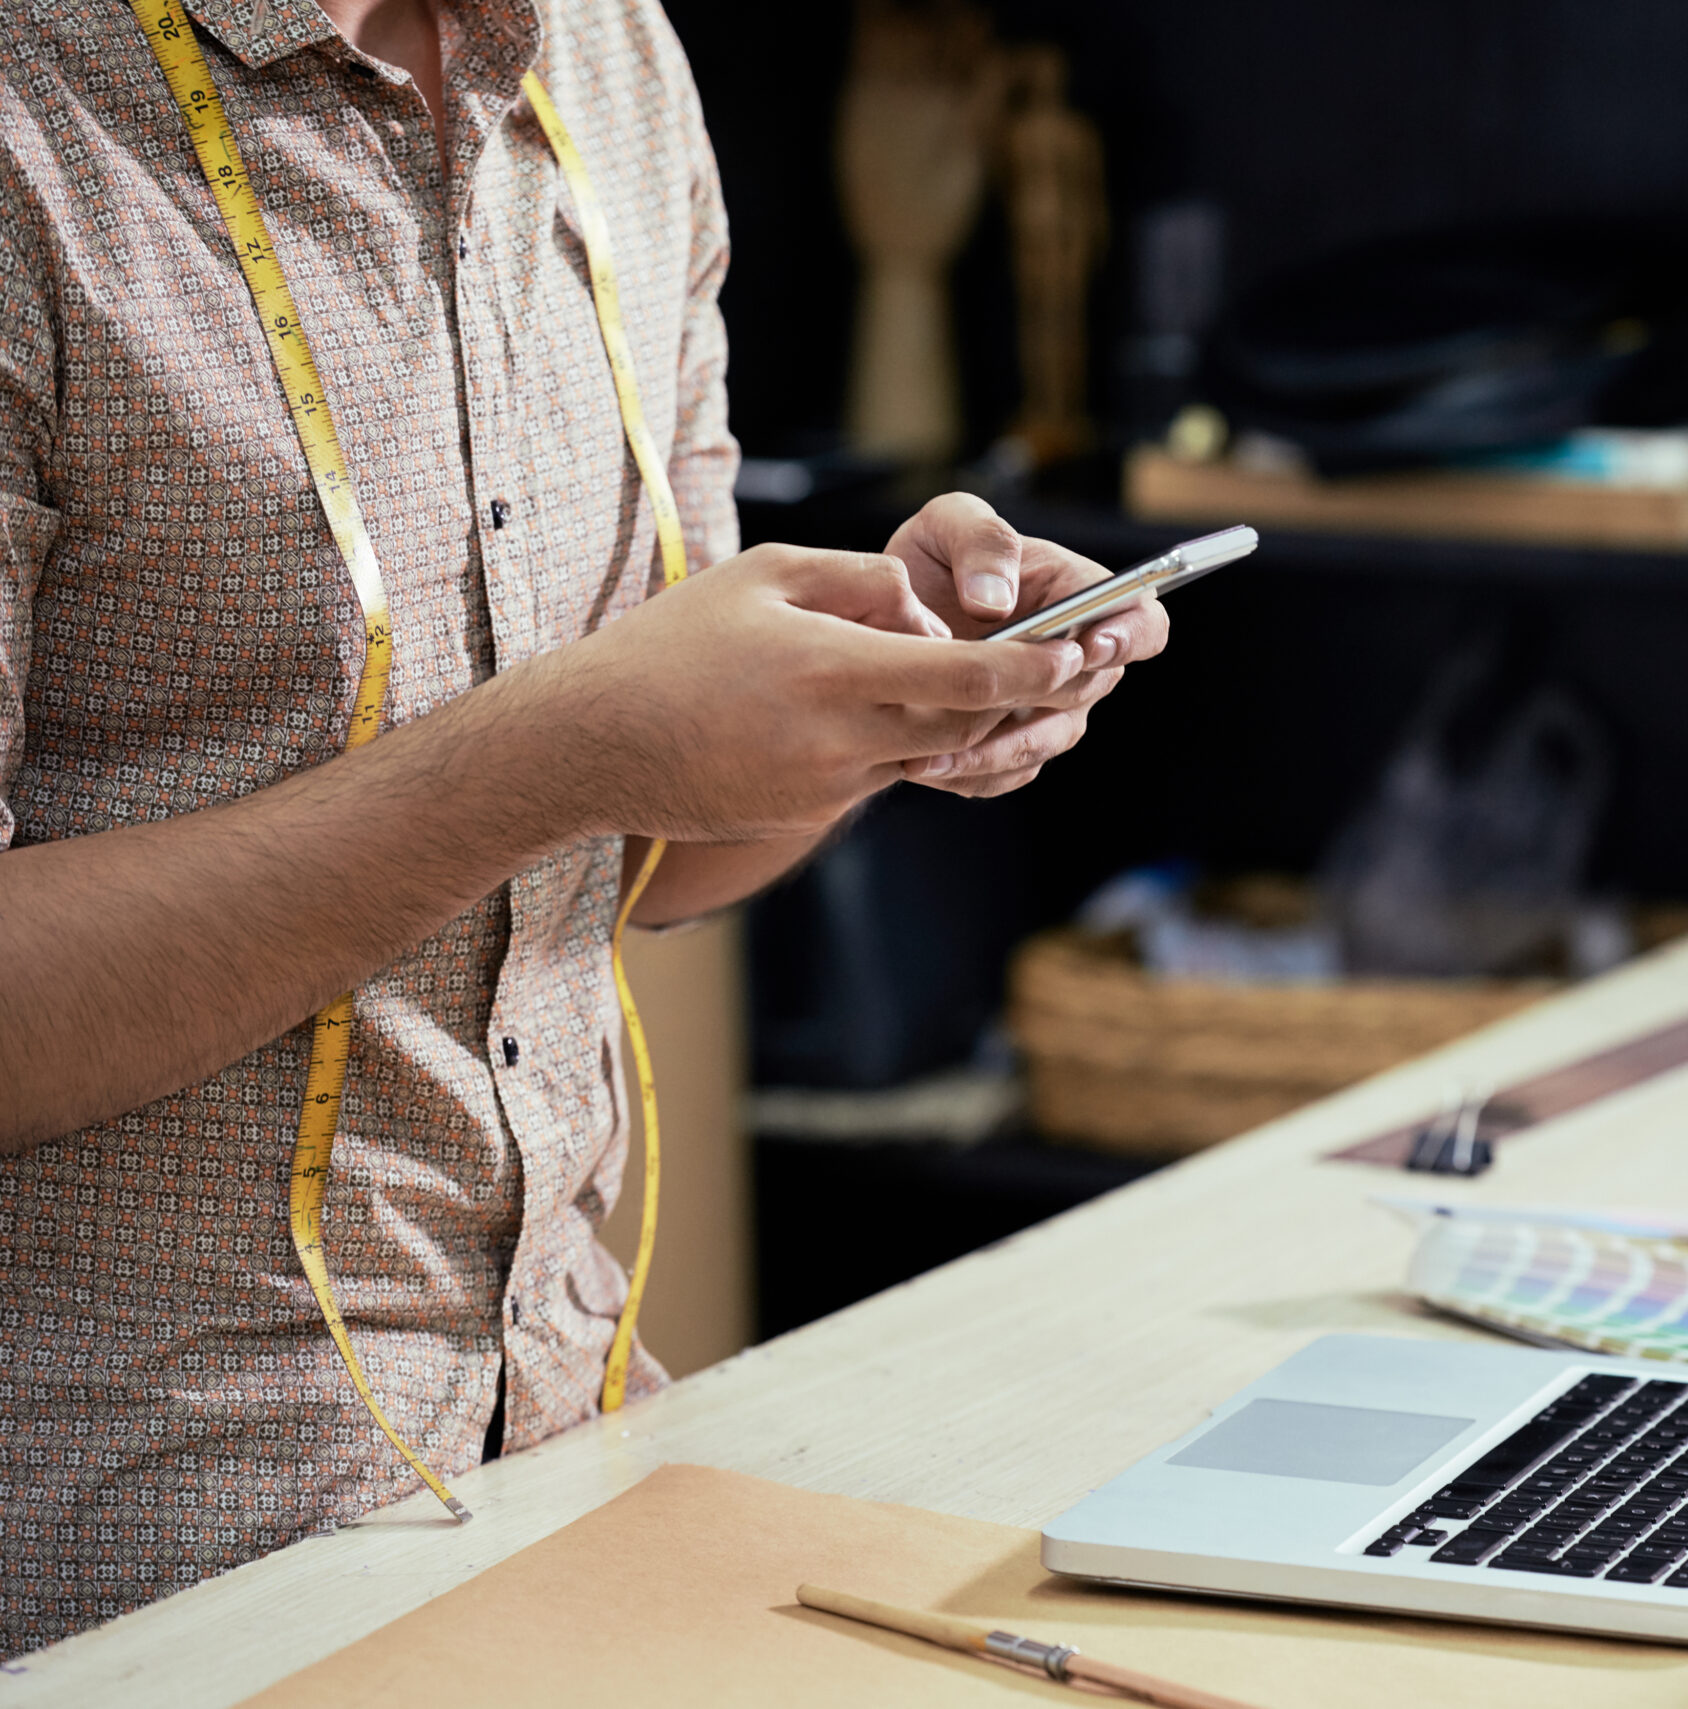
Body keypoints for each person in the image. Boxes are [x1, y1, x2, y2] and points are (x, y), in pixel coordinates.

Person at [0, 0, 1167, 1654]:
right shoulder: (32, 116)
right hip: (123, 1572)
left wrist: (883, 705)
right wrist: (560, 750)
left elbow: (652, 845)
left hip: (567, 1456)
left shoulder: (610, 57)